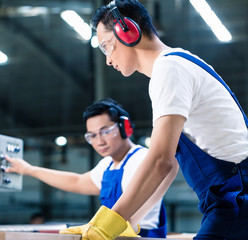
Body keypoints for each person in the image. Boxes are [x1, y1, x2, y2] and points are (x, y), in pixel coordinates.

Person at [60, 1, 248, 240]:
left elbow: (160, 161)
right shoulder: (178, 63)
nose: (107, 60)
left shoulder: (169, 69)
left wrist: (107, 224)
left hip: (236, 197)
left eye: (107, 46)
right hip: (230, 197)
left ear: (127, 32)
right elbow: (169, 168)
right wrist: (128, 221)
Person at [5, 98, 167, 238]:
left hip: (141, 236)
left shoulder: (143, 159)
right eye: (93, 135)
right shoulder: (107, 165)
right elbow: (77, 181)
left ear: (125, 127)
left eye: (105, 132)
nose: (99, 141)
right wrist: (29, 170)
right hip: (113, 236)